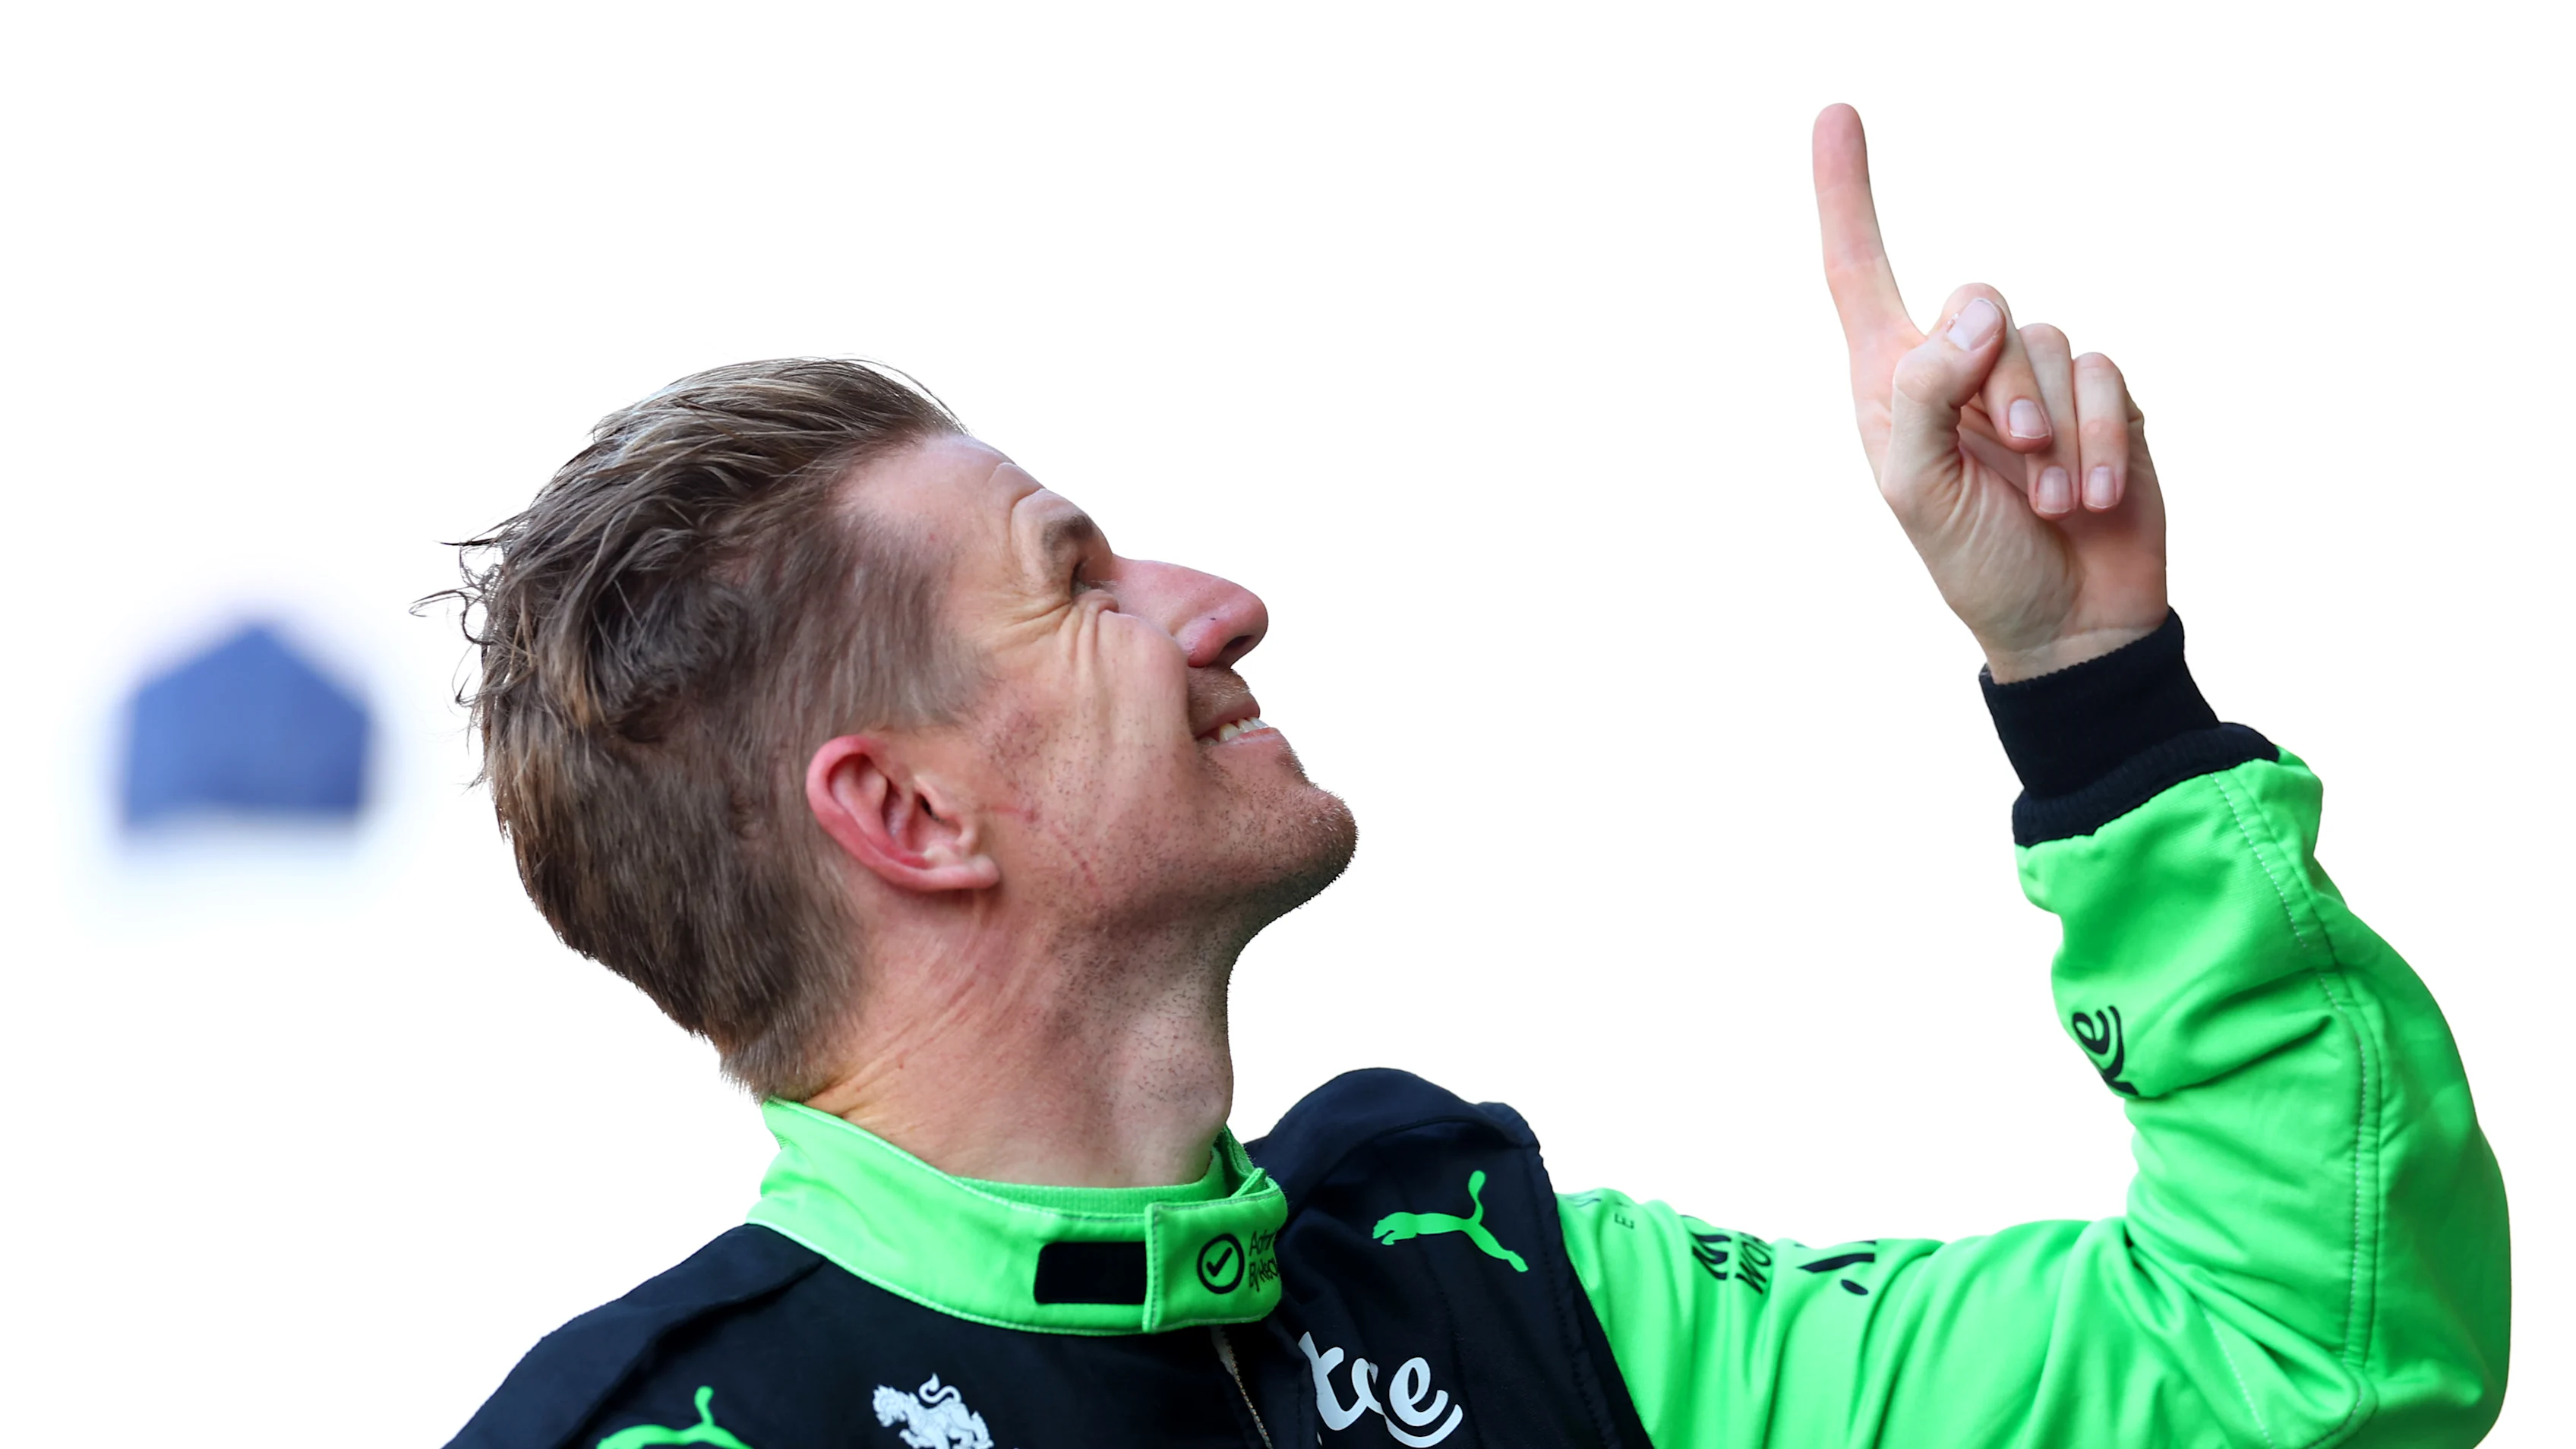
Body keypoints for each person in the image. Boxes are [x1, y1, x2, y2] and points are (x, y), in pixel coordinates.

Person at [443, 106, 2508, 1448]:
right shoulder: (650, 1434)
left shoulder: (1519, 1292)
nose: (1222, 605)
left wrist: (2091, 682)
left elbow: (2309, 1354)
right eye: (1077, 579)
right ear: (907, 814)